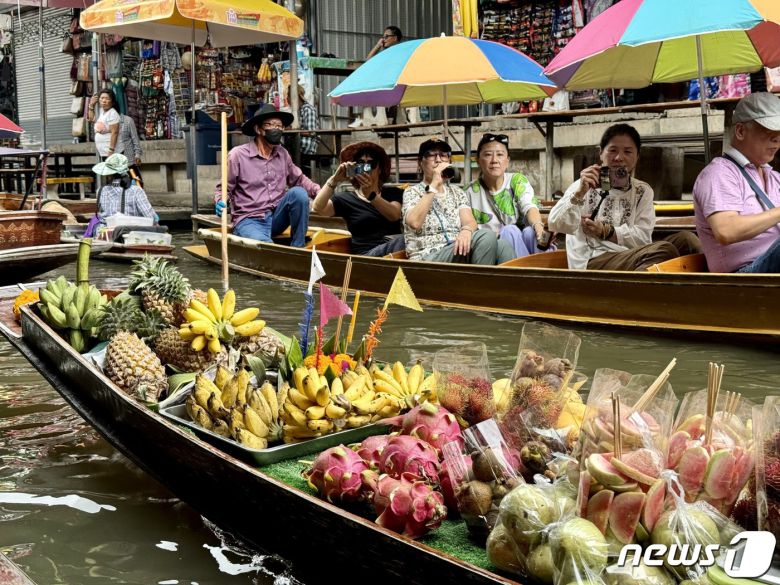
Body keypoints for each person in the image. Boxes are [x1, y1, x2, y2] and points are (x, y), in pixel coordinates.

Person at [548, 123, 701, 271]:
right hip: (593, 258)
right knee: (663, 250)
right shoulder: (584, 185)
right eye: (613, 150)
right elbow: (555, 224)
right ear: (601, 153)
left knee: (687, 240)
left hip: (632, 254)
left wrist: (607, 231)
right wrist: (579, 193)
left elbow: (642, 237)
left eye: (628, 152)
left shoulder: (642, 191)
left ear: (637, 156)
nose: (619, 157)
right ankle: (633, 294)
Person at [693, 92, 780, 273]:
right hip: (744, 275)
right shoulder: (719, 173)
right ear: (740, 131)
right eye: (770, 130)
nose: (777, 139)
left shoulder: (773, 176)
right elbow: (726, 230)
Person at [214, 104, 319, 247]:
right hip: (249, 219)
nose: (276, 129)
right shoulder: (237, 155)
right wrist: (221, 201)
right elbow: (224, 188)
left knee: (299, 194)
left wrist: (319, 192)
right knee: (265, 245)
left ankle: (298, 247)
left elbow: (299, 179)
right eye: (271, 125)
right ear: (259, 129)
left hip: (276, 218)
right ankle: (267, 244)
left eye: (279, 126)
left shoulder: (282, 153)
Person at [403, 138, 514, 265]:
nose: (438, 160)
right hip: (427, 256)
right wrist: (434, 185)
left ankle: (509, 284)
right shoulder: (412, 192)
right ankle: (480, 284)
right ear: (420, 163)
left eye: (443, 155)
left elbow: (469, 221)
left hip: (456, 249)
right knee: (486, 236)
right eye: (432, 155)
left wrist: (466, 231)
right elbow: (414, 222)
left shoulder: (457, 192)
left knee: (503, 246)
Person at [313, 142, 404, 256]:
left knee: (408, 240)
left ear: (379, 169)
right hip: (367, 256)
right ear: (355, 168)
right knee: (405, 241)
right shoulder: (346, 198)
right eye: (361, 164)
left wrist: (372, 196)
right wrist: (334, 180)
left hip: (394, 249)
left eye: (371, 164)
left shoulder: (392, 192)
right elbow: (318, 208)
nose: (366, 169)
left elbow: (394, 215)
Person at [469, 132, 552, 258]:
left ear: (507, 161)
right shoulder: (469, 191)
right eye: (487, 155)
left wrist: (539, 227)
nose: (494, 160)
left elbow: (529, 207)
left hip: (523, 242)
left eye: (500, 155)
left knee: (530, 232)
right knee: (509, 231)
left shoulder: (517, 180)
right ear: (478, 160)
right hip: (492, 250)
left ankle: (547, 273)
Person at [350, 26, 403, 128]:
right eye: (383, 37)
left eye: (387, 36)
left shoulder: (400, 51)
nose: (384, 39)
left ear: (395, 38)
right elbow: (367, 61)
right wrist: (378, 45)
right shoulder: (385, 52)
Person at [91, 153, 156, 230]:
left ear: (109, 174)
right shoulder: (136, 191)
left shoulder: (100, 191)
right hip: (127, 232)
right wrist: (156, 219)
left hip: (104, 232)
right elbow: (151, 217)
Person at [87, 89, 120, 160]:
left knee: (113, 171)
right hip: (103, 151)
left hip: (111, 152)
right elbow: (91, 119)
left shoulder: (112, 113)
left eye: (107, 98)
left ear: (112, 101)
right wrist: (91, 105)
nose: (104, 101)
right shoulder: (101, 111)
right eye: (102, 98)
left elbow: (115, 132)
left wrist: (111, 150)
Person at [116, 114, 144, 188]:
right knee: (120, 185)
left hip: (129, 158)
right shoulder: (106, 121)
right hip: (115, 160)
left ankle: (139, 198)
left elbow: (135, 138)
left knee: (137, 182)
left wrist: (137, 154)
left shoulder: (128, 120)